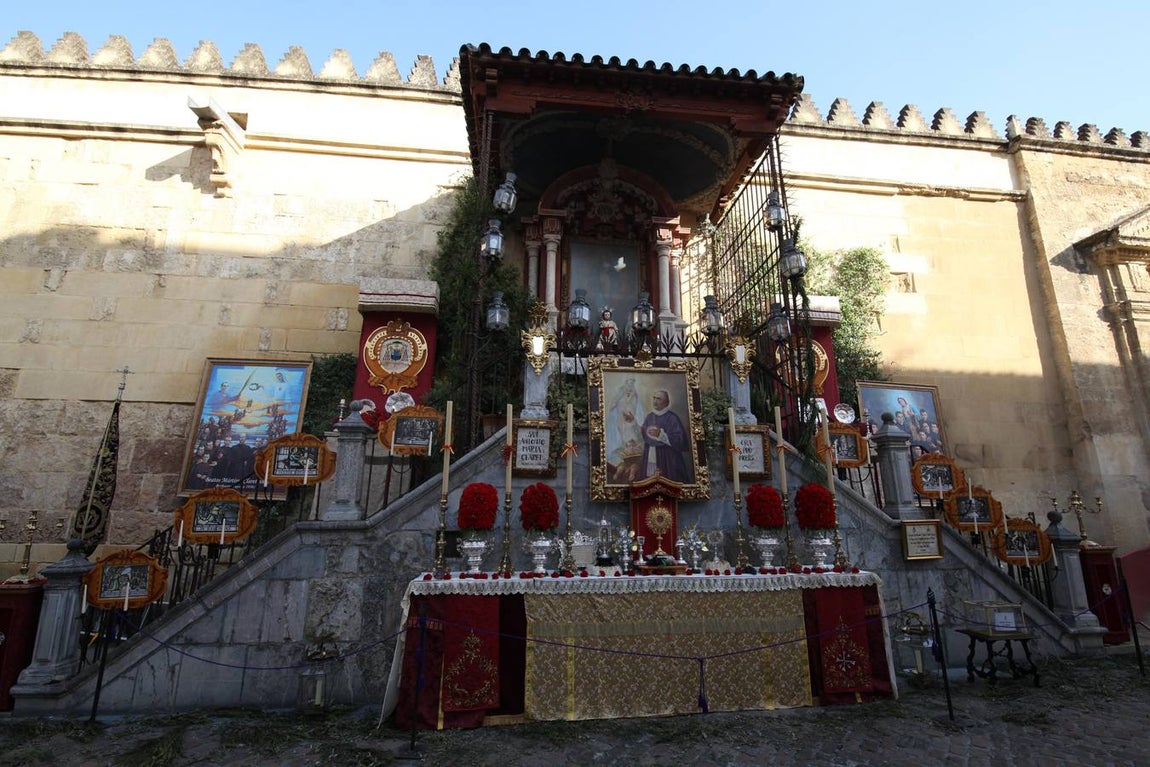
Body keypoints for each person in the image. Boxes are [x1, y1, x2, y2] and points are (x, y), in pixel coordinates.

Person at [639, 389, 693, 484]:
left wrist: (661, 435)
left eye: (658, 399)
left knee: (668, 482)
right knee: (649, 483)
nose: (655, 401)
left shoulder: (672, 418)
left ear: (666, 403)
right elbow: (643, 434)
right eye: (654, 398)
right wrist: (634, 424)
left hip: (668, 457)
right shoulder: (649, 417)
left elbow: (680, 440)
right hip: (651, 455)